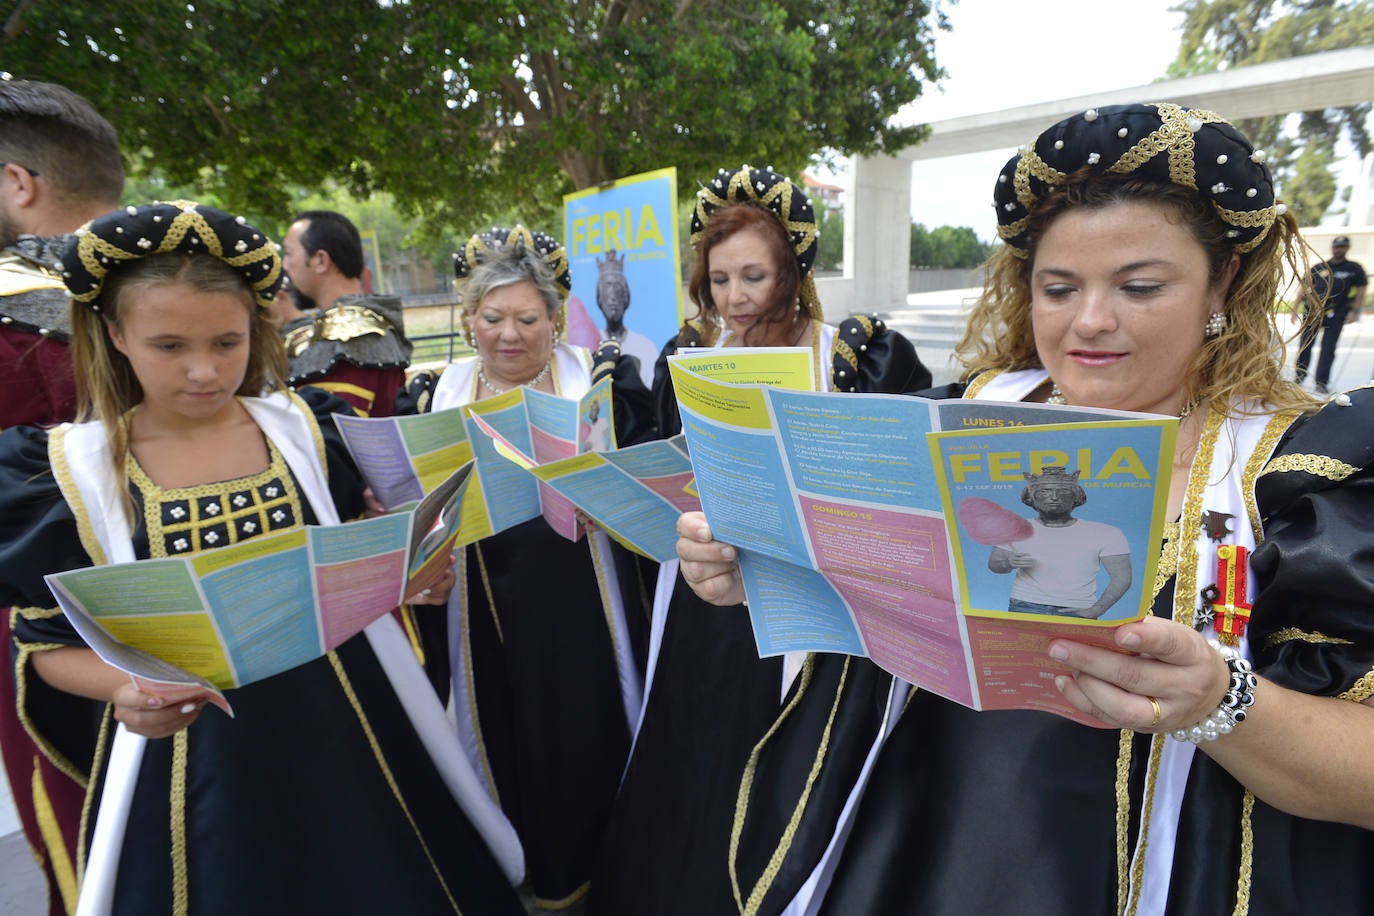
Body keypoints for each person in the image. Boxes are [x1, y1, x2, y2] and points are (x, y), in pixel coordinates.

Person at [676, 104, 1374, 914]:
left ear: (1223, 284)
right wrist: (749, 560)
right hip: (921, 858)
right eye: (1059, 287)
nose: (1090, 322)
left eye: (1139, 286)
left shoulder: (1300, 476)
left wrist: (1221, 701)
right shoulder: (951, 418)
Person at [1, 202, 525, 915]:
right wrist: (128, 690)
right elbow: (46, 646)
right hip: (198, 764)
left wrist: (408, 582)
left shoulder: (307, 433)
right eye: (168, 346)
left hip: (354, 737)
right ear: (115, 333)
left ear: (259, 326)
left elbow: (357, 571)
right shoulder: (72, 472)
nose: (202, 371)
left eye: (227, 341)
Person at [587, 165, 930, 916]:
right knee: (697, 744)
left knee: (788, 756)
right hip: (706, 595)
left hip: (820, 597)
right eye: (719, 279)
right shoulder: (686, 355)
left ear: (793, 272)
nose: (735, 297)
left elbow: (908, 468)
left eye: (754, 275)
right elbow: (663, 457)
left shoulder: (858, 354)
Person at [420, 225, 654, 911]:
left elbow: (648, 489)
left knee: (583, 729)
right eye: (492, 318)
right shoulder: (437, 395)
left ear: (555, 321)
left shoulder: (606, 384)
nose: (509, 335)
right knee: (498, 727)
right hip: (481, 600)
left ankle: (602, 867)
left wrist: (606, 503)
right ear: (468, 322)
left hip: (582, 591)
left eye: (528, 318)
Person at [0, 77, 124, 916]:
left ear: (19, 184)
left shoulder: (13, 319)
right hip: (208, 614)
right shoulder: (192, 283)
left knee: (83, 851)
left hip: (45, 638)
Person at [279, 209, 412, 416]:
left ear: (321, 260)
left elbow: (330, 436)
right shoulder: (368, 319)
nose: (284, 265)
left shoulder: (346, 333)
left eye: (288, 254)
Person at [990, 465, 1132, 618]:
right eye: (1045, 491)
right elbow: (994, 564)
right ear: (1031, 497)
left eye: (1063, 491)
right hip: (1025, 605)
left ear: (1076, 497)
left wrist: (1096, 610)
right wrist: (1008, 562)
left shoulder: (1106, 533)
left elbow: (1122, 578)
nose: (1054, 497)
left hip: (1077, 608)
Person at [1294, 235, 1367, 393]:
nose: (1339, 249)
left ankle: (1321, 382)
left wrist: (1355, 310)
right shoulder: (1319, 267)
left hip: (1337, 312)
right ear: (1332, 248)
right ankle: (1299, 376)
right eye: (1336, 246)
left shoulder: (1354, 269)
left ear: (1347, 248)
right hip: (1313, 311)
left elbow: (1361, 290)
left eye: (1342, 247)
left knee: (1328, 348)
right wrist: (1295, 308)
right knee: (1305, 345)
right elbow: (1304, 287)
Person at [593, 248, 658, 385]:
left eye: (617, 288)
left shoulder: (646, 347)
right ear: (599, 298)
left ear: (625, 297)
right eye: (606, 288)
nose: (612, 297)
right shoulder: (588, 348)